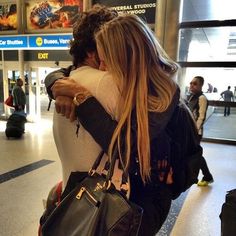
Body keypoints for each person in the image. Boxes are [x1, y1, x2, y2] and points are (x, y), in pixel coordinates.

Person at [50, 14, 180, 235]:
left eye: (105, 58)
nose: (101, 66)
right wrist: (55, 82)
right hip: (125, 199)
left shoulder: (164, 91)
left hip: (145, 204)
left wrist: (82, 96)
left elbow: (125, 145)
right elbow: (64, 74)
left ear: (125, 56)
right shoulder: (132, 85)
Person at [186, 76, 214, 186]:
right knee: (194, 154)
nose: (191, 85)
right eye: (191, 83)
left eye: (195, 84)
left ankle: (207, 176)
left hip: (196, 133)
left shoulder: (202, 98)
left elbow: (201, 117)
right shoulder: (192, 97)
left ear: (201, 85)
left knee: (196, 155)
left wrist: (194, 131)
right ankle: (205, 176)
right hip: (190, 131)